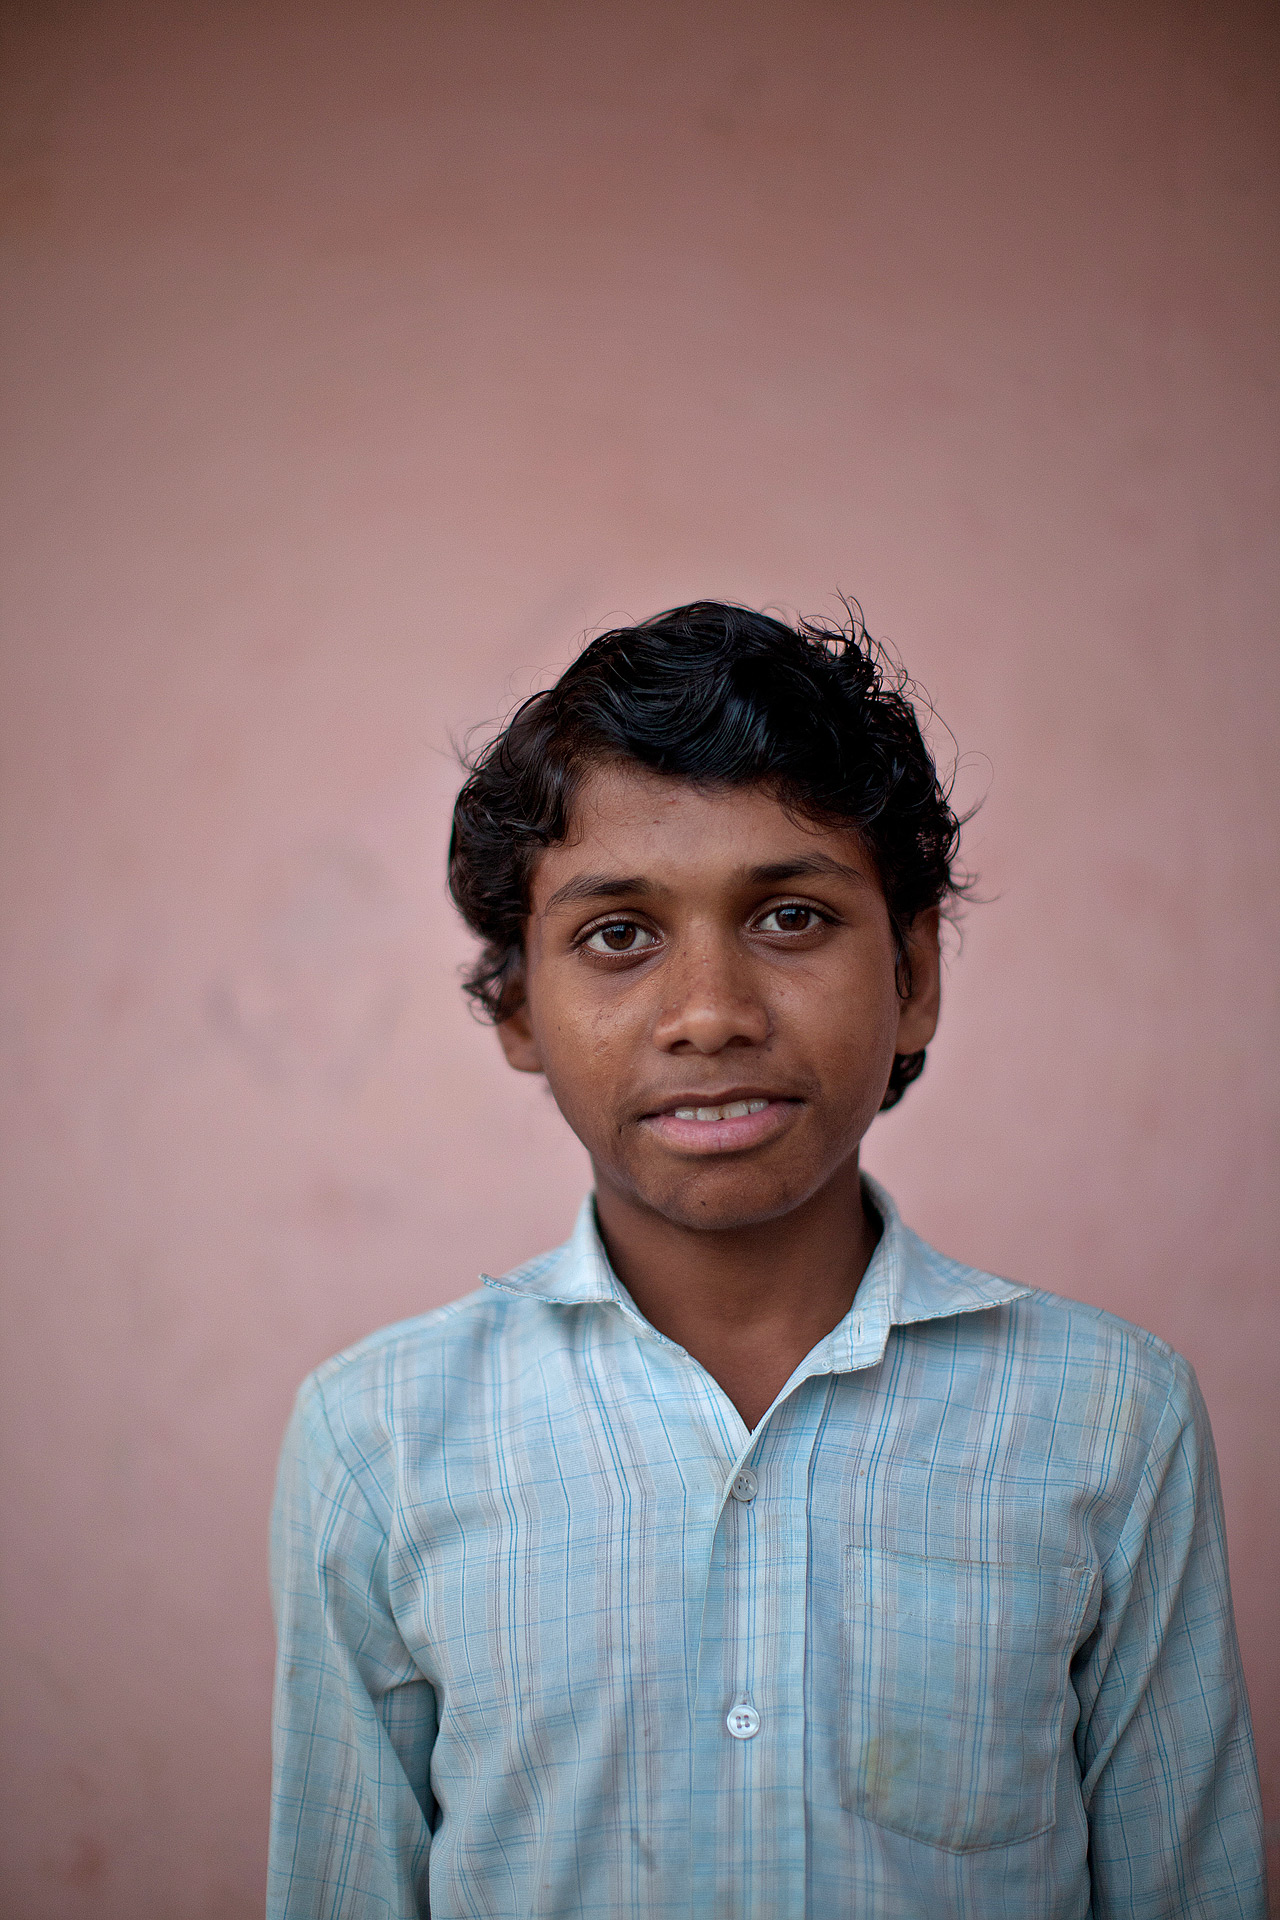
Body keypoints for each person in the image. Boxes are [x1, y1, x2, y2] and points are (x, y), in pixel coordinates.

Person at [268, 602, 1265, 1919]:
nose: (710, 1014)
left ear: (913, 976)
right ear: (514, 1004)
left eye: (791, 916)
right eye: (618, 935)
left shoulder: (1109, 1420)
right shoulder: (380, 1439)